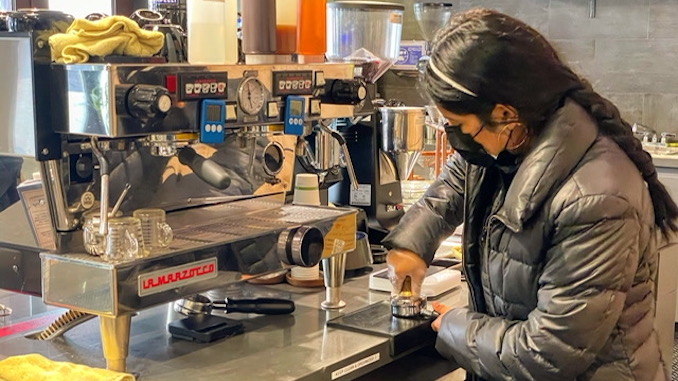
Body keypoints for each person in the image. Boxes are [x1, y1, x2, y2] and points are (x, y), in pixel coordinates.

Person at [382, 8, 676, 381]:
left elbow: (548, 353)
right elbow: (458, 182)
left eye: (457, 127)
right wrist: (411, 245)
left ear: (505, 113)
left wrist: (454, 326)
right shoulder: (513, 139)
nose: (453, 140)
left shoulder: (598, 198)